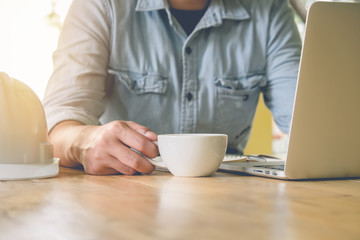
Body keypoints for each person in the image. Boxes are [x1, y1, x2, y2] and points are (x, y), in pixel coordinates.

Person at [43, 0, 302, 175]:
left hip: (229, 199)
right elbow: (57, 127)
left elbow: (311, 124)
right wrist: (86, 142)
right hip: (127, 193)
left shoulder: (269, 9)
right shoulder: (103, 5)